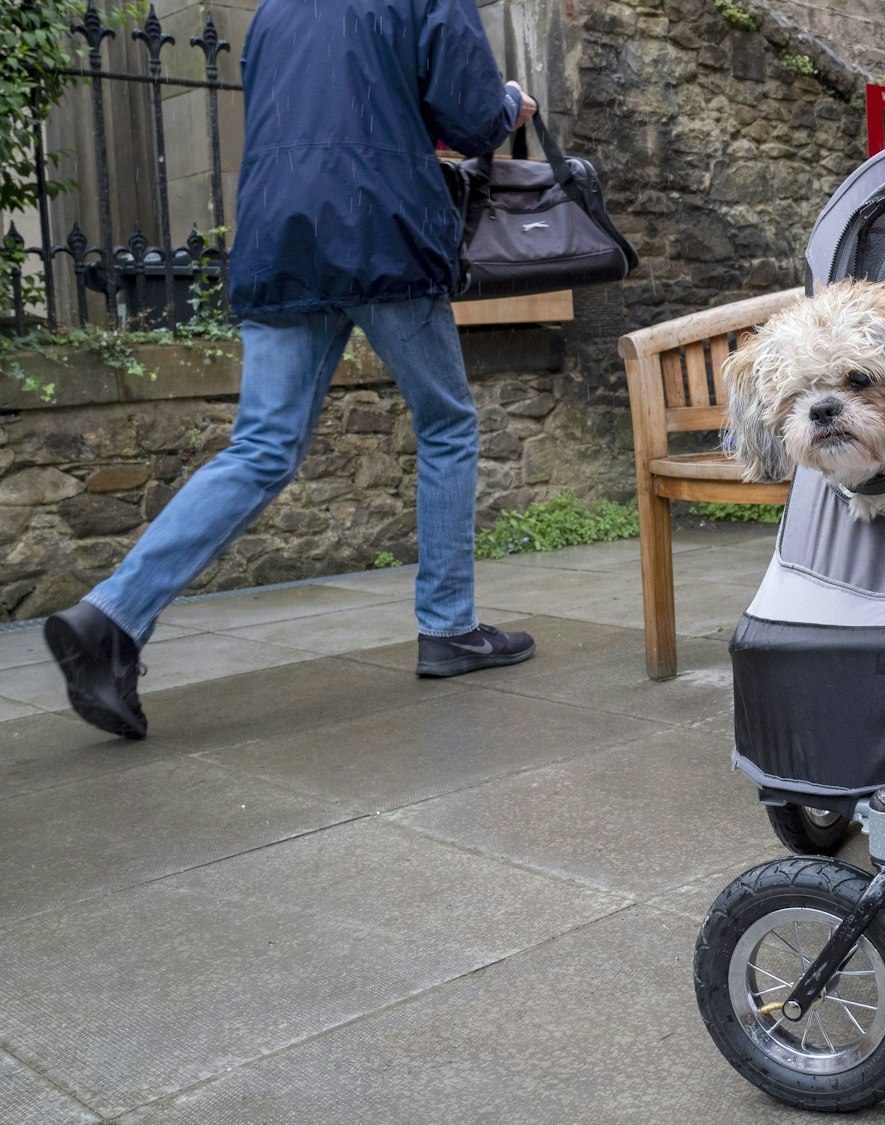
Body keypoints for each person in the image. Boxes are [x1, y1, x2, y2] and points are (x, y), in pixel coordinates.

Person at [42, 0, 539, 740]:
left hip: (279, 230)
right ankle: (448, 627)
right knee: (447, 423)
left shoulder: (276, 9)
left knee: (262, 445)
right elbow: (468, 118)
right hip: (380, 225)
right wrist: (510, 101)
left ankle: (111, 614)